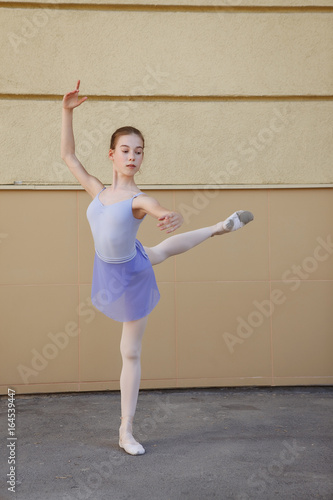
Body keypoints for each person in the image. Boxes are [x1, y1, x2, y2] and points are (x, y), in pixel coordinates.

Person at [61, 80, 254, 456]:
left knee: (129, 351)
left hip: (130, 275)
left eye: (139, 152)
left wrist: (169, 214)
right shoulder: (98, 191)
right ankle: (218, 227)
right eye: (126, 150)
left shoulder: (139, 198)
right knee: (159, 252)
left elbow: (156, 209)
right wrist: (66, 112)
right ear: (112, 155)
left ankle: (125, 430)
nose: (133, 157)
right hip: (114, 263)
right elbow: (69, 157)